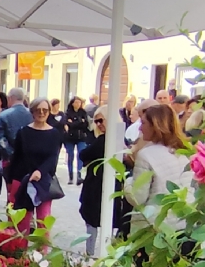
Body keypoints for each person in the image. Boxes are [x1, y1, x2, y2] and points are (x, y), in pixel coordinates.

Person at [123, 102, 193, 234]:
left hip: (153, 227)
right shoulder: (184, 152)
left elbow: (138, 198)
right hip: (182, 223)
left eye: (143, 123)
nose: (140, 129)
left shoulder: (146, 155)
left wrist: (127, 183)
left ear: (155, 126)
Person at [7, 97, 64, 234]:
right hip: (23, 179)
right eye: (38, 110)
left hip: (43, 180)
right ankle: (21, 252)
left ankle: (42, 252)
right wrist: (10, 180)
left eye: (45, 110)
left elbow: (53, 157)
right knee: (22, 222)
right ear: (32, 112)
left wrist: (40, 171)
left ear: (49, 112)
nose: (41, 113)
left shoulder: (54, 134)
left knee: (43, 221)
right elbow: (16, 157)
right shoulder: (23, 132)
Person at [78, 109, 109, 255]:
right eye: (96, 121)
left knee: (92, 220)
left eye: (101, 120)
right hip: (97, 184)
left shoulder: (105, 140)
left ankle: (90, 254)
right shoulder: (105, 138)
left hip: (98, 185)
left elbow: (85, 154)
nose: (98, 124)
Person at [0, 87, 32, 175]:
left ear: (10, 98)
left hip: (10, 160)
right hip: (29, 158)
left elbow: (1, 139)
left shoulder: (3, 116)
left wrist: (11, 154)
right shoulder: (32, 114)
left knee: (12, 186)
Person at [62, 96, 92, 184]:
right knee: (70, 156)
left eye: (79, 103)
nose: (78, 104)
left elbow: (85, 124)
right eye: (76, 102)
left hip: (81, 137)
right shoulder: (67, 113)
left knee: (81, 154)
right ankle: (71, 176)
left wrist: (74, 122)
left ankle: (79, 175)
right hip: (69, 137)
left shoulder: (83, 112)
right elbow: (67, 123)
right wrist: (79, 122)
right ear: (72, 103)